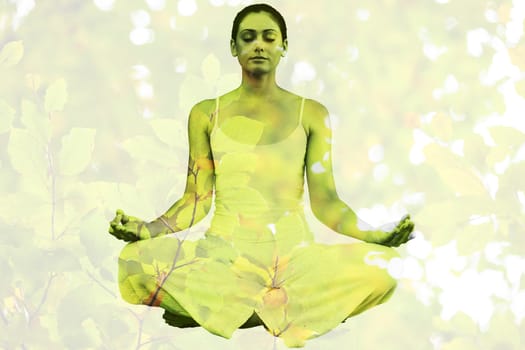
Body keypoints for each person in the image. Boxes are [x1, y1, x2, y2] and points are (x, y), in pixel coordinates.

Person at [109, 3, 415, 347]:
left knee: (387, 268)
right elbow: (197, 198)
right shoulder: (206, 113)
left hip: (296, 261)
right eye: (248, 37)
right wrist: (146, 229)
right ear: (233, 47)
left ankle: (224, 312)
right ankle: (283, 311)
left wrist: (374, 236)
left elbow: (326, 203)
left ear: (283, 46)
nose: (259, 45)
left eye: (269, 37)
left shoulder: (312, 114)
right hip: (223, 259)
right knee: (132, 262)